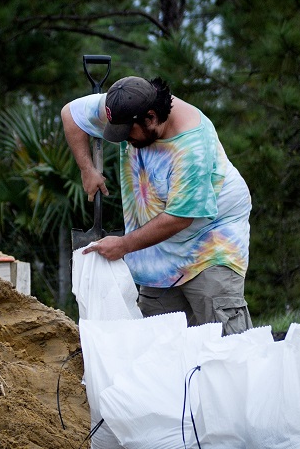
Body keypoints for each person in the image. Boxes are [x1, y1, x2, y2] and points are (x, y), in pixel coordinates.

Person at [61, 76, 253, 335]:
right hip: (157, 245)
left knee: (222, 337)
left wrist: (123, 245)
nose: (124, 139)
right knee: (158, 341)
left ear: (151, 118)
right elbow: (70, 114)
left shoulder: (191, 143)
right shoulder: (126, 103)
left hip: (209, 239)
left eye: (128, 132)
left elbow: (181, 217)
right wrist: (87, 169)